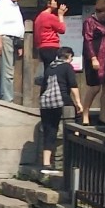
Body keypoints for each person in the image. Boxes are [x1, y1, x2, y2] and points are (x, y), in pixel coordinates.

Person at [37, 46, 75, 174]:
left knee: (49, 132)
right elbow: (74, 86)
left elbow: (43, 87)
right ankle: (65, 160)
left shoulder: (50, 68)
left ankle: (46, 163)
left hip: (46, 103)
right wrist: (79, 104)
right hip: (61, 101)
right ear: (68, 56)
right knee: (70, 127)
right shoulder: (67, 67)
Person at [0, 0, 26, 101]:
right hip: (5, 39)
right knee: (8, 72)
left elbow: (18, 25)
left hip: (14, 40)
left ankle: (0, 96)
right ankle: (8, 99)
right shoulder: (2, 6)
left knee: (6, 70)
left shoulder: (15, 5)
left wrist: (20, 45)